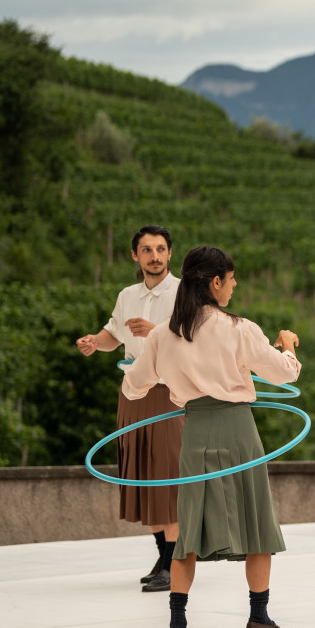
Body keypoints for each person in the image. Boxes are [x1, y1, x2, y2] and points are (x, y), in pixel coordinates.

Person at [120, 245, 301, 628]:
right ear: (215, 282)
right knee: (257, 527)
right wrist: (288, 344)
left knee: (188, 532)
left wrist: (170, 373)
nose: (234, 286)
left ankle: (177, 626)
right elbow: (285, 373)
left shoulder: (164, 334)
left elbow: (133, 387)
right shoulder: (239, 328)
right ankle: (259, 620)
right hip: (238, 431)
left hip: (195, 430)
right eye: (231, 279)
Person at [77, 224, 182, 592]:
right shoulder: (127, 295)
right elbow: (114, 335)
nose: (154, 256)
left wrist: (153, 330)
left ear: (170, 253)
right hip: (133, 391)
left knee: (168, 476)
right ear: (135, 255)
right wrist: (95, 341)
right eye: (147, 250)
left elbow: (193, 343)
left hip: (170, 392)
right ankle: (163, 558)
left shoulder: (185, 293)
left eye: (161, 249)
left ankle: (173, 564)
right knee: (141, 475)